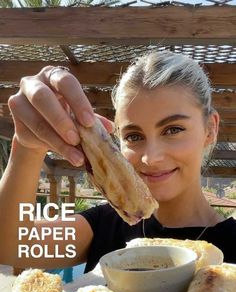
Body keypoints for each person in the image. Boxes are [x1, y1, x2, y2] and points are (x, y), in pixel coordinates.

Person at [0, 51, 235, 273]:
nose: (150, 158)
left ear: (210, 129)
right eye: (133, 136)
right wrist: (27, 147)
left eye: (173, 129)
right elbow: (10, 248)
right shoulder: (102, 226)